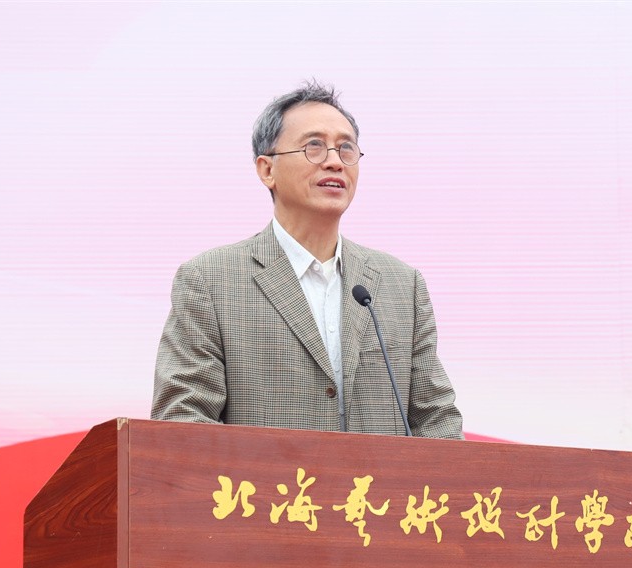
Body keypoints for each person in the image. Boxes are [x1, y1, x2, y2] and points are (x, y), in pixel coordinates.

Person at [151, 82, 463, 439]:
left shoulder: (402, 285)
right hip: (269, 478)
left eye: (346, 148)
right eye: (314, 146)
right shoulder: (210, 280)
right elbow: (182, 420)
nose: (334, 161)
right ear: (267, 169)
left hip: (378, 479)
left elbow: (437, 421)